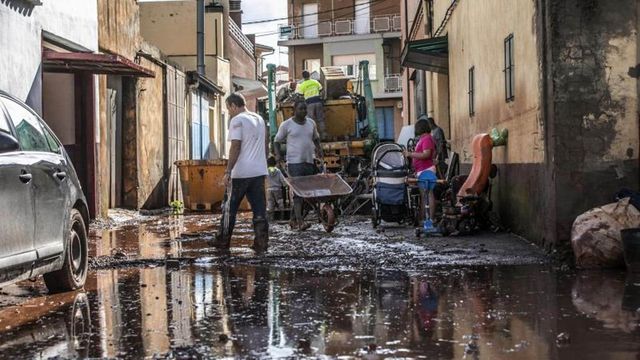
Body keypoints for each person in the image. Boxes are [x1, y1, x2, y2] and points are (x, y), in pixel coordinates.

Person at [213, 92, 269, 254]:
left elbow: (235, 146)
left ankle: (223, 241)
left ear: (233, 105)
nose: (229, 112)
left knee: (229, 208)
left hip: (241, 173)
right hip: (258, 172)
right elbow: (265, 145)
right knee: (259, 209)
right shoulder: (259, 119)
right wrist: (262, 164)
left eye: (228, 108)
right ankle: (261, 243)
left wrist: (228, 171)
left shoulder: (237, 120)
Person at [274, 99, 323, 231]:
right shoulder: (286, 125)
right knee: (298, 193)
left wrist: (319, 151)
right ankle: (300, 222)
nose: (304, 111)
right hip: (294, 163)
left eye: (305, 109)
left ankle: (293, 220)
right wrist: (278, 156)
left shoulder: (311, 123)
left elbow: (316, 139)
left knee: (308, 194)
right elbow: (277, 141)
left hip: (309, 161)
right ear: (294, 110)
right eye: (301, 109)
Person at [404, 119, 438, 229]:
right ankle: (424, 219)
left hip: (426, 170)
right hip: (422, 170)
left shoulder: (427, 138)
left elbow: (426, 154)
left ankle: (430, 219)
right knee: (425, 195)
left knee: (428, 194)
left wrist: (410, 154)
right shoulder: (424, 139)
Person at [295, 70, 325, 139]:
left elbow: (300, 95)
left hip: (309, 104)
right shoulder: (315, 82)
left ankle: (312, 136)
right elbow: (321, 90)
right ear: (309, 75)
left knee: (310, 120)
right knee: (320, 119)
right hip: (318, 102)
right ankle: (323, 136)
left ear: (303, 77)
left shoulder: (302, 85)